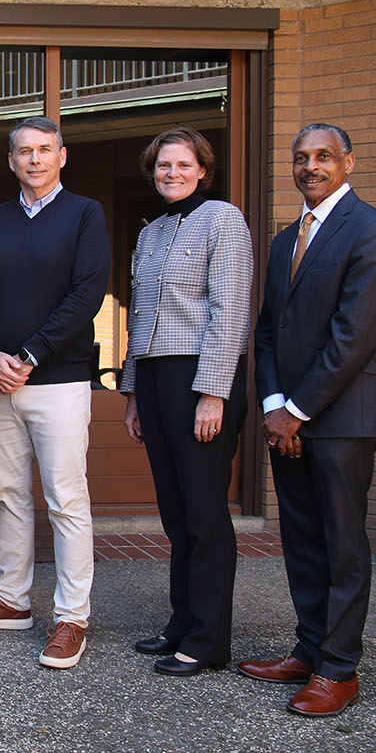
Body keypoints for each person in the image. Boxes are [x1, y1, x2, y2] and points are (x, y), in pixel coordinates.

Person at [241, 123, 376, 717]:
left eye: (323, 157)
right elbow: (268, 332)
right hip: (287, 417)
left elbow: (353, 337)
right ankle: (309, 649)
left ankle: (339, 669)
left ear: (348, 163)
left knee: (342, 546)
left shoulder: (374, 231)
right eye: (301, 158)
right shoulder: (288, 239)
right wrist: (271, 405)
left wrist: (297, 410)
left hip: (341, 420)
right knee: (303, 541)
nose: (310, 166)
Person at [0, 116, 111, 670]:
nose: (35, 160)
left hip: (59, 381)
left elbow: (87, 293)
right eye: (24, 151)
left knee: (66, 500)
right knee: (8, 494)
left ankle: (71, 617)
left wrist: (30, 354)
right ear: (11, 161)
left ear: (62, 156)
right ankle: (12, 600)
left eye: (45, 150)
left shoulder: (85, 215)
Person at [119, 127, 253, 676]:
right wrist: (131, 395)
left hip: (198, 380)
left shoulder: (223, 220)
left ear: (203, 169)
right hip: (153, 381)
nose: (171, 174)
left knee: (204, 516)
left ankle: (208, 640)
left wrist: (213, 393)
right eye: (162, 166)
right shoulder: (150, 234)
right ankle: (181, 624)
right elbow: (140, 319)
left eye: (182, 165)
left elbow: (230, 312)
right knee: (175, 515)